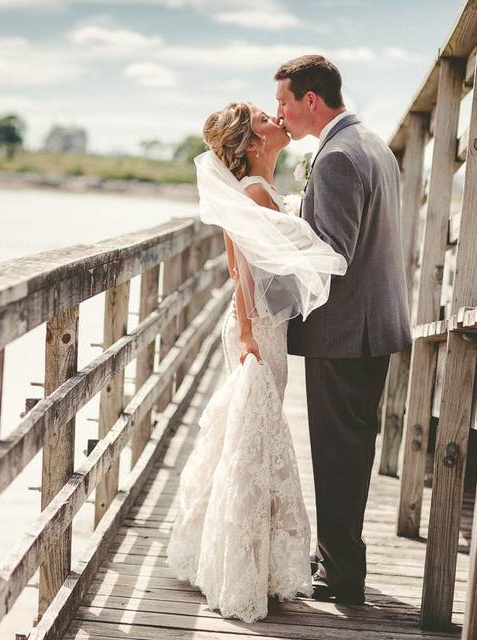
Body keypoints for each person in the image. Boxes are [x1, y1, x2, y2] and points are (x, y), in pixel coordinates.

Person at [166, 100, 347, 622]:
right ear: (251, 142)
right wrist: (247, 334)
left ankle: (229, 551)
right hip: (256, 332)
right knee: (254, 439)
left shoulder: (259, 193)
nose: (278, 118)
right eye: (266, 118)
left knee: (245, 437)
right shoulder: (253, 194)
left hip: (261, 326)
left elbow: (256, 266)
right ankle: (241, 567)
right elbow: (240, 267)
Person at [276, 54, 411, 604]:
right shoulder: (370, 143)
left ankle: (340, 573)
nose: (279, 114)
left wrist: (278, 233)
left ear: (312, 100)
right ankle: (338, 555)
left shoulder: (335, 159)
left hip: (347, 330)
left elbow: (333, 254)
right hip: (371, 325)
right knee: (350, 450)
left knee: (338, 452)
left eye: (284, 103)